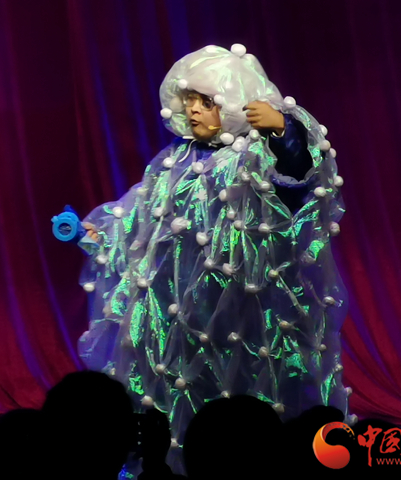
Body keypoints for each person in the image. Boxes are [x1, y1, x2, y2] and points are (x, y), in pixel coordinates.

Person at [63, 43, 351, 469]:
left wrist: (283, 130)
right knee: (186, 388)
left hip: (241, 308)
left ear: (232, 104)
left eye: (206, 101)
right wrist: (97, 232)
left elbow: (299, 177)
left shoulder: (251, 156)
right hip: (179, 313)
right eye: (190, 100)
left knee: (242, 391)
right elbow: (139, 216)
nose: (194, 110)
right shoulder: (175, 160)